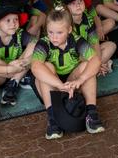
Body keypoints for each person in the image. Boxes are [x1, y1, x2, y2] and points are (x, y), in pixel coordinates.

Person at [30, 9, 105, 138]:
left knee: (87, 65)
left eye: (59, 32)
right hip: (52, 86)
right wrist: (59, 85)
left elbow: (95, 60)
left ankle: (91, 114)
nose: (54, 37)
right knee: (45, 66)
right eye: (50, 32)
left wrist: (80, 80)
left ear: (69, 30)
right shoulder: (43, 43)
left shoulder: (76, 39)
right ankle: (53, 119)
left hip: (71, 82)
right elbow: (35, 67)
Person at [0, 4, 36, 105]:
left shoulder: (20, 33)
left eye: (16, 19)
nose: (13, 24)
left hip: (18, 68)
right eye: (8, 20)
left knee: (34, 44)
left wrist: (22, 61)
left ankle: (13, 82)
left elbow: (38, 45)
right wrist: (9, 69)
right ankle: (19, 78)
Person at [60, 0, 117, 76]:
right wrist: (94, 61)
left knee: (111, 46)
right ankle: (96, 69)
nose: (78, 5)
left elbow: (95, 44)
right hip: (72, 60)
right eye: (73, 3)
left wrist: (96, 62)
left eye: (80, 1)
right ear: (66, 7)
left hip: (86, 52)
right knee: (85, 59)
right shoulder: (64, 23)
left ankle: (96, 69)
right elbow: (72, 54)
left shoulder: (89, 19)